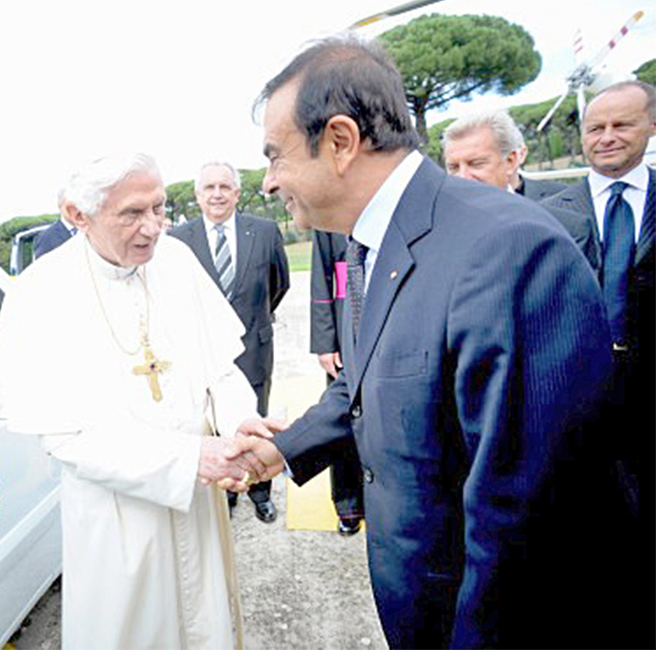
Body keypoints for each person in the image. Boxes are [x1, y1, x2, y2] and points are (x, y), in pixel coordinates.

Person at [243, 35, 619, 648]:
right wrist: (283, 449)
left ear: (339, 142)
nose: (267, 183)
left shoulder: (506, 249)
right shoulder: (376, 245)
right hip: (418, 606)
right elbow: (373, 377)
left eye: (275, 157)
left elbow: (527, 526)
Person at [0, 152, 281, 649]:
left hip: (198, 501)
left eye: (159, 209)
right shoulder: (41, 291)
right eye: (132, 214)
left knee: (207, 630)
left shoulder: (177, 262)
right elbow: (64, 435)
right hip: (116, 515)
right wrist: (189, 458)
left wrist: (241, 424)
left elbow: (220, 371)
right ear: (80, 215)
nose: (153, 228)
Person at [542, 80, 655, 644]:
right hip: (577, 403)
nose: (607, 137)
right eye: (596, 128)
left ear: (651, 127)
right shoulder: (546, 215)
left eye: (622, 125)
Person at [171, 161, 290, 523]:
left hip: (254, 347)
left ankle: (260, 491)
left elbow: (279, 284)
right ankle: (226, 492)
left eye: (225, 187)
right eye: (209, 188)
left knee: (254, 419)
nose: (217, 194)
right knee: (211, 419)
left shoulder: (266, 232)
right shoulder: (178, 241)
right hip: (201, 352)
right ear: (197, 195)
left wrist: (254, 321)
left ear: (237, 193)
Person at [308, 230, 364, 535]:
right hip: (344, 335)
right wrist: (324, 342)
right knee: (343, 416)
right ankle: (348, 504)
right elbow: (321, 281)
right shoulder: (328, 214)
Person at [442, 109, 566, 198]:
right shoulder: (441, 218)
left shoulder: (563, 202)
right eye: (453, 168)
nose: (463, 177)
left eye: (476, 164)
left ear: (510, 161)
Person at [32, 186, 77, 258]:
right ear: (60, 206)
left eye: (78, 205)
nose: (75, 210)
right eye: (70, 207)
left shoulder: (89, 230)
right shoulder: (46, 237)